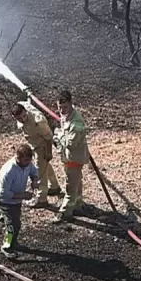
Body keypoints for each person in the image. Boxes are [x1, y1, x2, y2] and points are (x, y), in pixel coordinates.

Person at [0, 144, 39, 258]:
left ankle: (13, 243)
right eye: (26, 160)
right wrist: (23, 196)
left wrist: (34, 181)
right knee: (11, 225)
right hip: (4, 200)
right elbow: (4, 192)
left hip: (16, 200)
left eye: (29, 160)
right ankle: (7, 246)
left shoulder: (27, 164)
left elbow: (34, 171)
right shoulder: (9, 170)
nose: (28, 162)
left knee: (16, 223)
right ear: (18, 157)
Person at [11, 101, 62, 207]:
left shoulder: (38, 121)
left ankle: (41, 199)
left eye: (24, 116)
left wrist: (49, 152)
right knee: (45, 166)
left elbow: (49, 137)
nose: (23, 119)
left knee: (39, 172)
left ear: (26, 112)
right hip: (33, 144)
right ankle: (54, 187)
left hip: (42, 146)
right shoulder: (21, 110)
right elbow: (23, 102)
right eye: (20, 118)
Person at [52, 89, 89, 223]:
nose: (61, 110)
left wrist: (58, 134)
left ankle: (65, 212)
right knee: (77, 182)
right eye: (59, 107)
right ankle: (77, 205)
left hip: (74, 158)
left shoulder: (76, 121)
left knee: (69, 186)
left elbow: (71, 144)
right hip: (70, 158)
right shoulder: (67, 115)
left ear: (71, 104)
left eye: (65, 107)